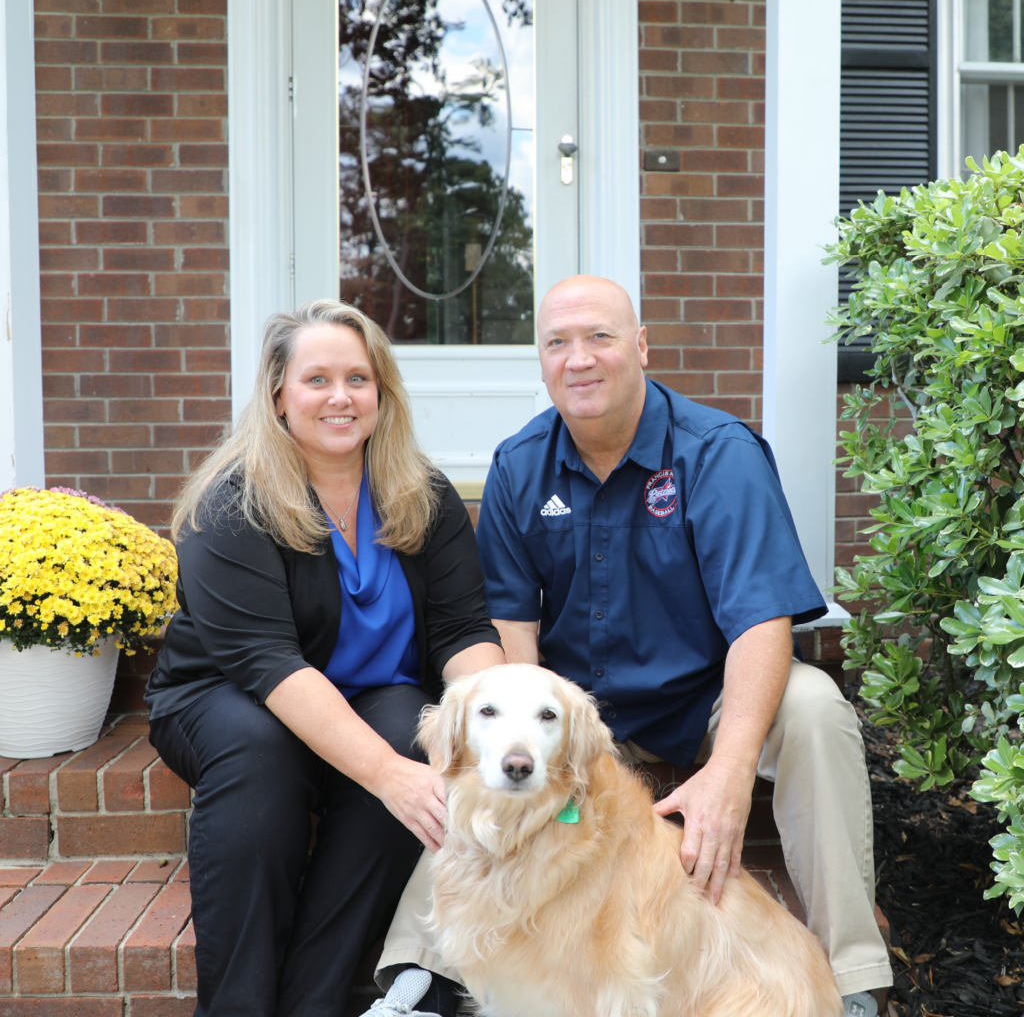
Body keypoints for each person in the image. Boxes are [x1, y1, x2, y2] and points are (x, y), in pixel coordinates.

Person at [365, 276, 892, 1017]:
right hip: (581, 719)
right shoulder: (520, 466)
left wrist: (733, 771)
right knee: (489, 765)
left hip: (704, 700)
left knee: (815, 707)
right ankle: (422, 976)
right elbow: (516, 652)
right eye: (558, 344)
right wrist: (538, 743)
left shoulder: (718, 453)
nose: (579, 359)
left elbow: (762, 622)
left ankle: (855, 978)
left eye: (600, 337)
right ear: (542, 363)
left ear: (640, 346)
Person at [144, 299, 504, 1017]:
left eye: (358, 379)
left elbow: (463, 631)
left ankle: (315, 1001)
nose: (340, 397)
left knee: (415, 733)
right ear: (279, 396)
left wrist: (501, 716)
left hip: (371, 694)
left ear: (381, 393)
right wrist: (390, 777)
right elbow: (269, 665)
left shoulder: (422, 494)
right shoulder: (233, 504)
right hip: (227, 697)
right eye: (317, 380)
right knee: (262, 753)